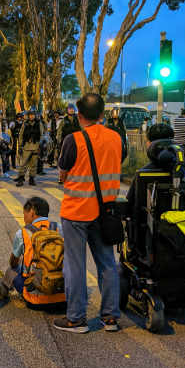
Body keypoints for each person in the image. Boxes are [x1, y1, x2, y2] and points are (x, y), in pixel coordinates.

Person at [55, 93, 126, 333]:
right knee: (107, 263)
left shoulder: (72, 139)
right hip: (106, 211)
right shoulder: (116, 138)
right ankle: (110, 318)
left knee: (75, 265)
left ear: (79, 115)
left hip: (76, 211)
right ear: (103, 115)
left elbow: (63, 172)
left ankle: (76, 318)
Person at [3, 196, 66, 306]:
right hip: (63, 296)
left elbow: (13, 261)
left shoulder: (23, 233)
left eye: (24, 214)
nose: (24, 218)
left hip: (34, 299)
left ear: (32, 212)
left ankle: (3, 296)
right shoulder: (60, 228)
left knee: (11, 270)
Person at [15, 108, 43, 187]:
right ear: (28, 116)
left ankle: (31, 178)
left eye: (33, 115)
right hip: (26, 146)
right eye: (30, 115)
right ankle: (21, 178)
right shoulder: (25, 124)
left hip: (35, 146)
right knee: (23, 164)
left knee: (33, 164)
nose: (31, 116)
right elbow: (21, 135)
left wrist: (40, 145)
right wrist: (20, 145)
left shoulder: (39, 123)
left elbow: (41, 135)